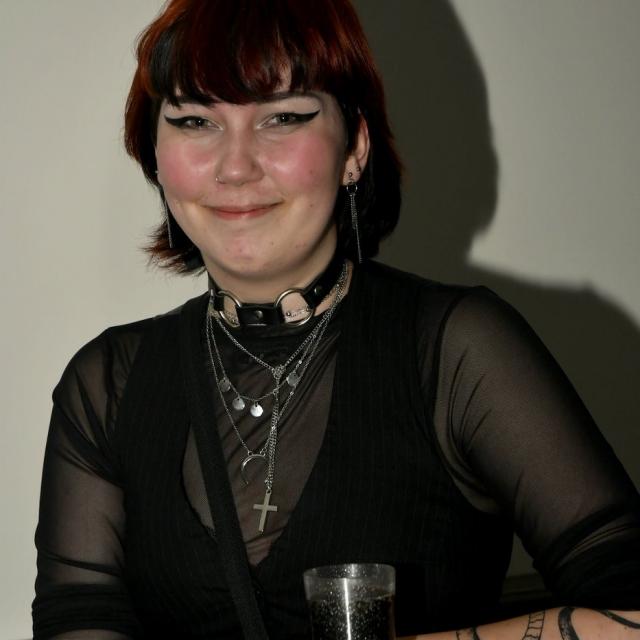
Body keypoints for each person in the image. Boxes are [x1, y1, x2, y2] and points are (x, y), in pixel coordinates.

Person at [32, 1, 640, 638]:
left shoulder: (457, 349)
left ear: (354, 147)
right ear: (155, 155)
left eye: (283, 117)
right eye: (195, 121)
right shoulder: (107, 385)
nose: (235, 166)